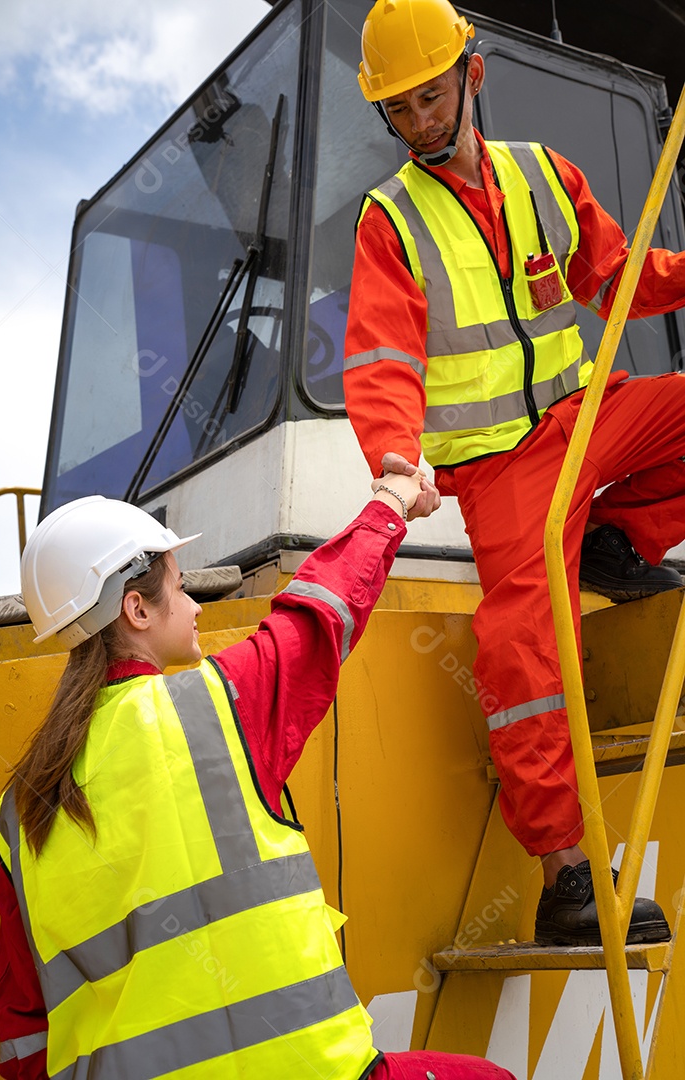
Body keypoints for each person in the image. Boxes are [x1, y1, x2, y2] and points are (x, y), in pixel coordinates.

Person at [345, 0, 685, 946]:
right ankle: (568, 879)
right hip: (502, 474)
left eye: (429, 96)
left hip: (585, 421)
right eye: (399, 110)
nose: (418, 122)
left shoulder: (543, 175)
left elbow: (615, 278)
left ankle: (620, 542)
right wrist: (394, 465)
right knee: (523, 656)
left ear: (472, 74)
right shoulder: (390, 222)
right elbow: (382, 359)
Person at [0, 483, 521, 1080]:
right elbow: (321, 614)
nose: (196, 607)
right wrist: (391, 504)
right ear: (136, 610)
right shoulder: (212, 707)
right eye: (181, 587)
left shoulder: (20, 807)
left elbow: (22, 1030)